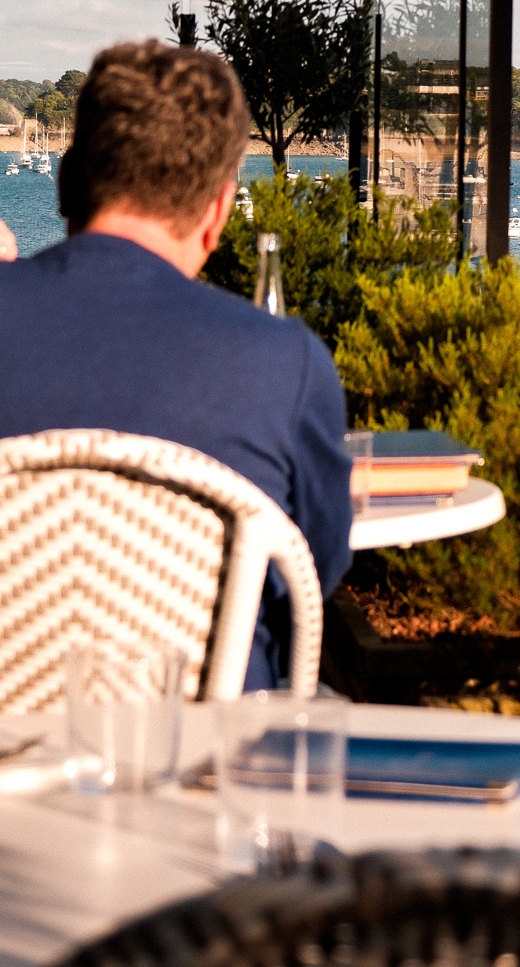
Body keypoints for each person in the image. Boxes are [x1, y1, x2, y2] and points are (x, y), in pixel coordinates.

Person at [0, 40, 352, 689]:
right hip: (208, 770)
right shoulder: (281, 364)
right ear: (219, 213)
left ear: (65, 181)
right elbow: (313, 573)